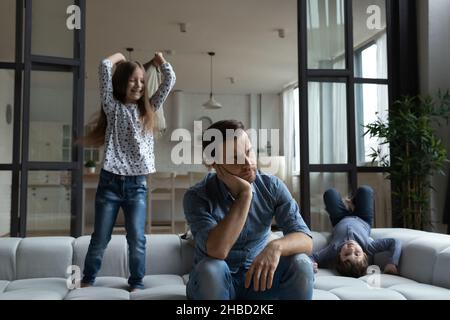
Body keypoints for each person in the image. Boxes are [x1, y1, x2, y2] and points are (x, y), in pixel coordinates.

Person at [183, 120, 314, 300]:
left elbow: (305, 239)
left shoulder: (272, 187)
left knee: (302, 263)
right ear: (215, 164)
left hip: (258, 279)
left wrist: (275, 247)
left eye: (248, 152)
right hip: (215, 282)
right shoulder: (197, 196)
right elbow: (218, 251)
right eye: (235, 158)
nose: (248, 163)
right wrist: (245, 195)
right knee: (212, 268)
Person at [79, 52, 176, 291]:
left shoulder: (149, 108)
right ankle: (87, 279)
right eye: (133, 80)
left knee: (137, 239)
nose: (139, 85)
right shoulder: (112, 107)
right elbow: (103, 66)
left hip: (137, 185)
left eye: (142, 81)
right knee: (100, 238)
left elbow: (169, 79)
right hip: (110, 182)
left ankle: (137, 282)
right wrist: (120, 57)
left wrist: (160, 60)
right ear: (122, 82)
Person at [310, 186, 402, 278]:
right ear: (365, 255)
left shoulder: (333, 249)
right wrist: (392, 263)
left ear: (339, 256)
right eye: (357, 253)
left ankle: (352, 205)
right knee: (365, 190)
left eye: (346, 254)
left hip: (339, 219)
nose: (351, 248)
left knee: (330, 193)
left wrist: (311, 264)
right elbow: (395, 242)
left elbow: (313, 257)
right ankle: (353, 203)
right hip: (363, 218)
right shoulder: (369, 246)